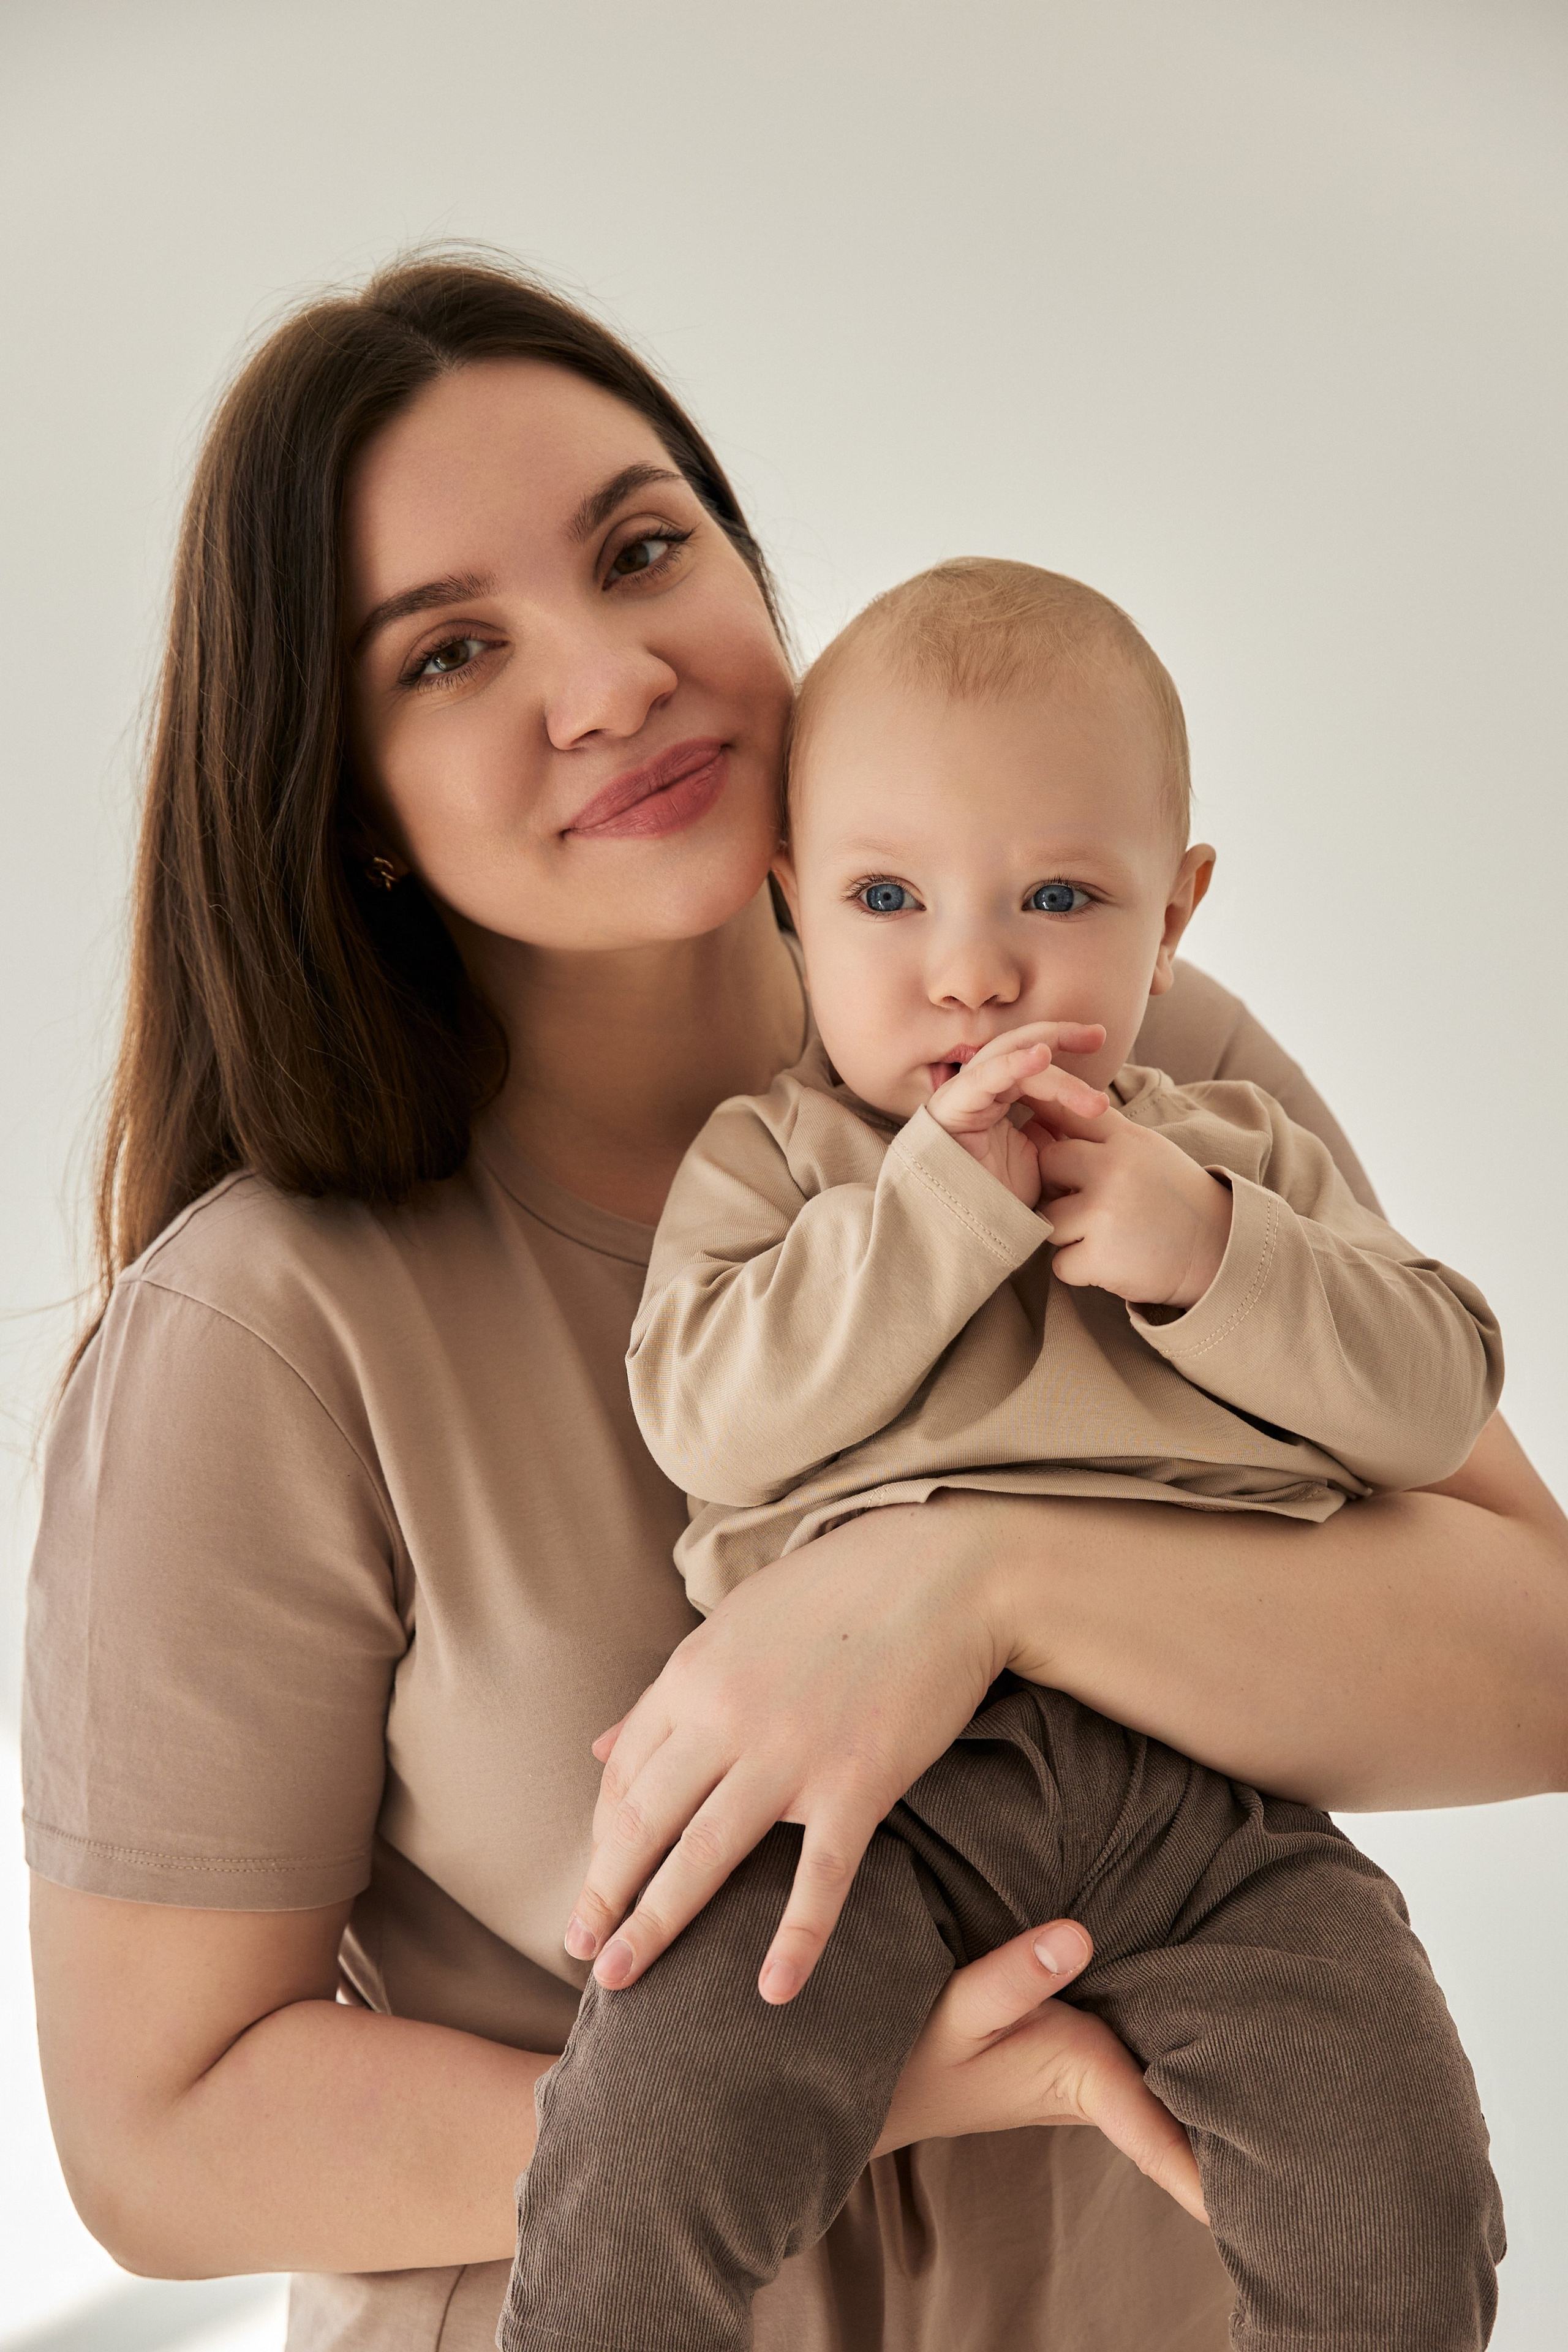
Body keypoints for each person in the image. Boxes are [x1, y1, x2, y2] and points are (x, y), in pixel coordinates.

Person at [20, 254, 1568, 2352]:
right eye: (454, 652)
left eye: (643, 549)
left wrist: (980, 1581)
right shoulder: (267, 1330)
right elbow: (158, 2135)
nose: (611, 679)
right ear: (348, 804)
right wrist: (837, 2097)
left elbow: (1535, 1654)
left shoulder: (1130, 1050)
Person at [502, 559, 1506, 2352]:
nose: (971, 971)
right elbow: (706, 1413)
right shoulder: (782, 1165)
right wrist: (935, 1216)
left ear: (1174, 917)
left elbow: (1436, 1396)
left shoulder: (1233, 1156)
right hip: (861, 1802)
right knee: (647, 2139)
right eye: (889, 896)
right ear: (794, 900)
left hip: (1223, 1799)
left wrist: (1210, 1251)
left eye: (1058, 895)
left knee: (1402, 2201)